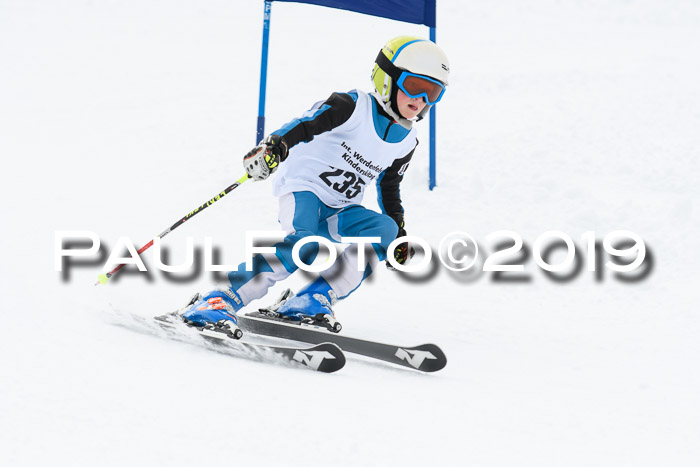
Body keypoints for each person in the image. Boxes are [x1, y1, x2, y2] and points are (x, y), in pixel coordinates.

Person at [181, 36, 450, 336]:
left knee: (384, 231)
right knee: (305, 246)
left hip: (342, 208)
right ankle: (220, 298)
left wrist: (399, 232)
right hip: (304, 189)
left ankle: (312, 298)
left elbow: (390, 186)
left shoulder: (407, 141)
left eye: (433, 93)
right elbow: (306, 124)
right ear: (387, 78)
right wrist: (276, 146)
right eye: (415, 87)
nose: (422, 101)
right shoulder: (352, 106)